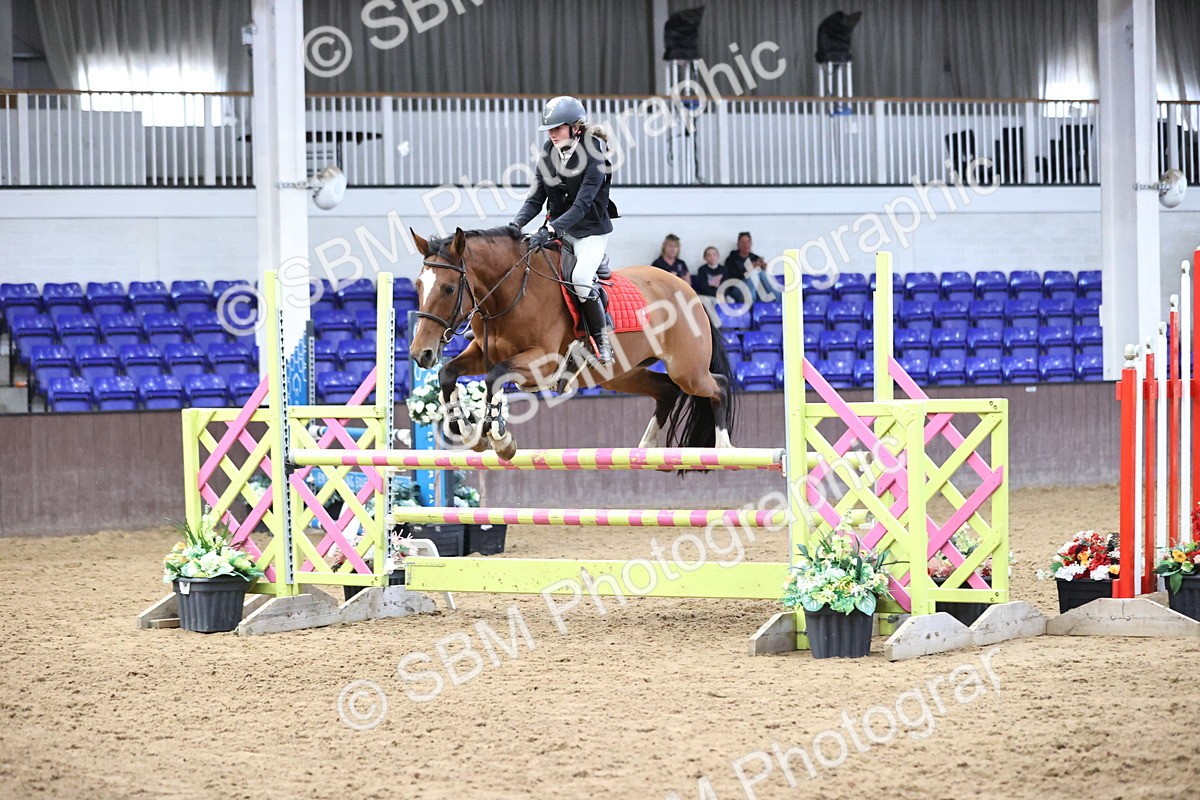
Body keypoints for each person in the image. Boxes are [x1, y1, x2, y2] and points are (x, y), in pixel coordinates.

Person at [510, 95, 619, 364]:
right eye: (549, 129)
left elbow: (582, 205)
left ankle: (601, 338)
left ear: (575, 127)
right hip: (558, 228)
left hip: (590, 231)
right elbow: (535, 199)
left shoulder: (594, 155)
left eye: (557, 128)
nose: (552, 134)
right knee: (524, 263)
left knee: (580, 278)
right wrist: (514, 225)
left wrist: (550, 231)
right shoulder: (549, 152)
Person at [723, 231, 775, 303]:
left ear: (751, 244)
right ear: (738, 244)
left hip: (756, 292)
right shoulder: (731, 259)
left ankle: (779, 299)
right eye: (742, 242)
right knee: (753, 274)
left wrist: (763, 268)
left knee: (762, 274)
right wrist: (748, 268)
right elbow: (733, 279)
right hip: (737, 291)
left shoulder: (755, 258)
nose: (746, 245)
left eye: (748, 242)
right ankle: (751, 303)